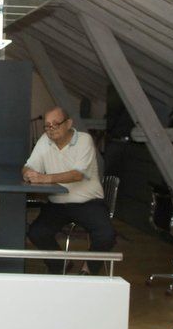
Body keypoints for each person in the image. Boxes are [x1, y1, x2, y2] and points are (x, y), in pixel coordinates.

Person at [23, 106, 116, 274]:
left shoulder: (84, 140)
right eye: (47, 125)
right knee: (37, 233)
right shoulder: (44, 140)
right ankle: (61, 264)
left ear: (69, 123)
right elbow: (30, 165)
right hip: (57, 203)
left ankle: (88, 269)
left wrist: (45, 178)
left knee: (106, 234)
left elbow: (77, 174)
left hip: (88, 202)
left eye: (56, 124)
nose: (51, 129)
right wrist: (27, 173)